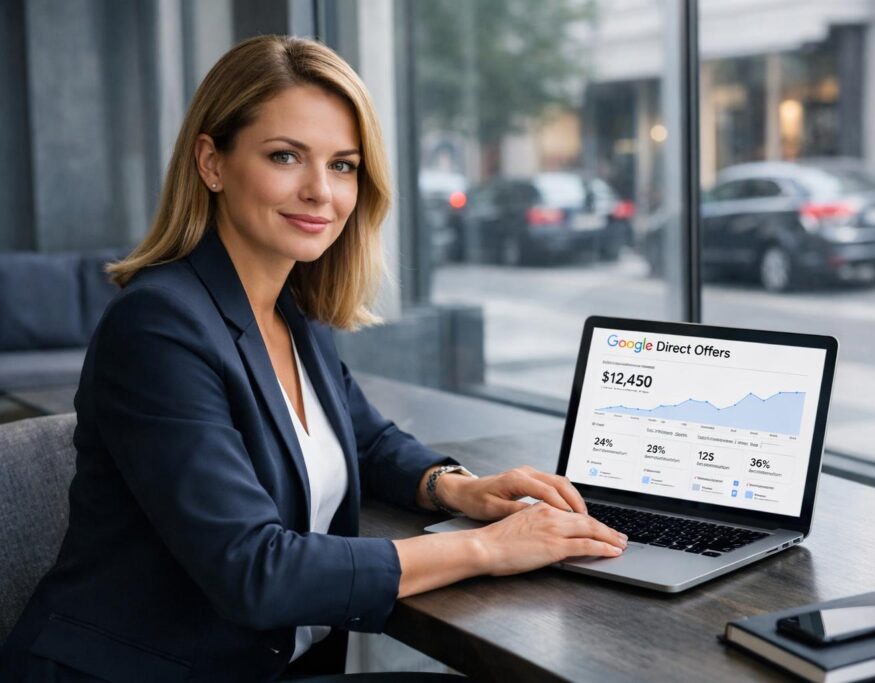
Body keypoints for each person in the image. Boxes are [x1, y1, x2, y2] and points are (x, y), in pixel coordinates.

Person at [0, 36, 626, 683]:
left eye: (344, 165)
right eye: (285, 156)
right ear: (212, 162)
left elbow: (368, 440)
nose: (320, 192)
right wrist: (485, 547)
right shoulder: (158, 328)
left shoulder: (287, 310)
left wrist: (458, 486)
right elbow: (254, 570)